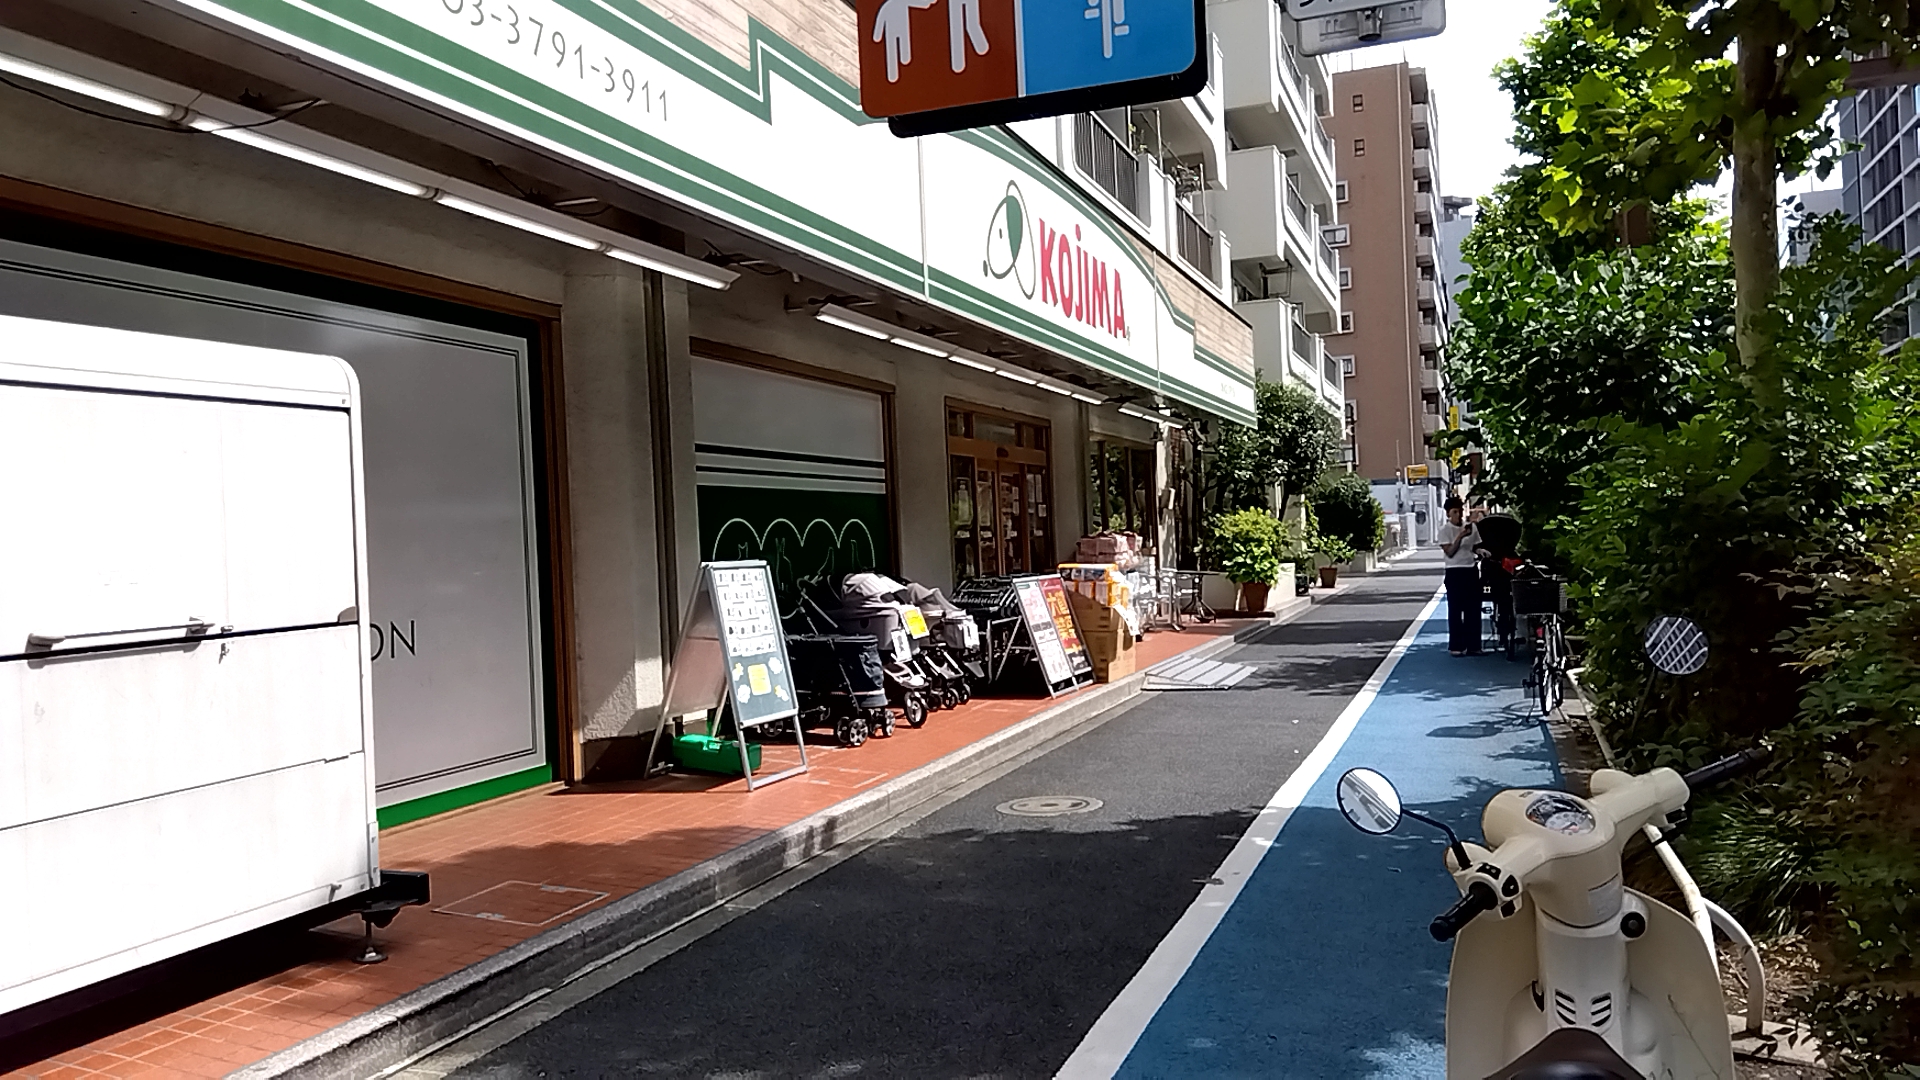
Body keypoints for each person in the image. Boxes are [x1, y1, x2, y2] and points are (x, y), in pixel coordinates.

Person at [1437, 496, 1483, 656]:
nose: (1459, 515)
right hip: (1454, 571)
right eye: (1455, 512)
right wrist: (1461, 536)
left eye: (1460, 511)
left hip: (1470, 569)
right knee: (1456, 609)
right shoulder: (1445, 530)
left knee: (1473, 609)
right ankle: (1456, 646)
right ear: (1448, 514)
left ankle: (1474, 646)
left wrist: (1480, 551)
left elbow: (1475, 546)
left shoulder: (1471, 528)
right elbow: (1450, 552)